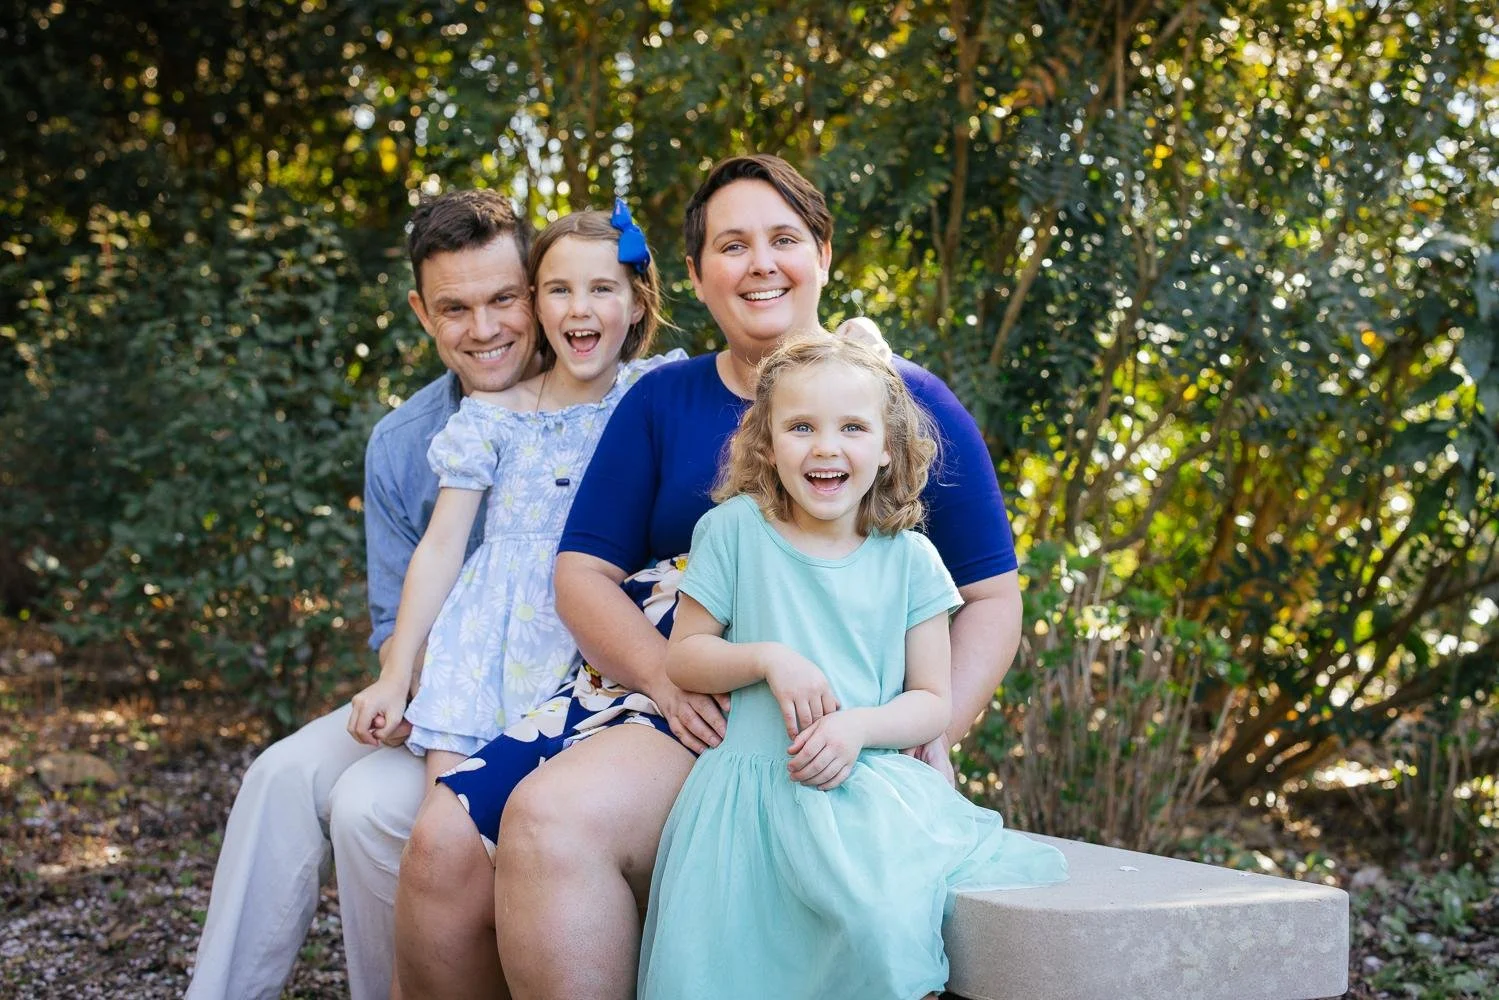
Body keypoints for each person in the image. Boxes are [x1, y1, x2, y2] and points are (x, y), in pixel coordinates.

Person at [396, 153, 1030, 1000]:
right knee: (442, 841)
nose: (760, 262)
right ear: (694, 276)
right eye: (731, 245)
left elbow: (989, 596)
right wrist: (662, 676)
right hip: (669, 684)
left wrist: (928, 731)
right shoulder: (662, 401)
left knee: (551, 824)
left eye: (784, 239)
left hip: (816, 708)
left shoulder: (903, 404)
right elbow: (582, 571)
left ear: (824, 256)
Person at [185, 189, 539, 1000]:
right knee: (278, 776)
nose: (482, 330)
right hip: (434, 691)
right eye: (455, 308)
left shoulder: (589, 409)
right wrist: (401, 684)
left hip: (532, 699)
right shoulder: (403, 442)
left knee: (363, 807)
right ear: (422, 313)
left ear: (534, 290)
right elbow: (392, 622)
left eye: (502, 300)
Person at [637, 334, 1066, 999]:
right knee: (721, 970)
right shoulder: (733, 532)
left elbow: (930, 700)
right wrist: (766, 658)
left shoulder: (910, 560)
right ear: (766, 444)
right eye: (800, 426)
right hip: (745, 805)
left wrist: (856, 729)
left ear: (887, 448)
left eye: (852, 428)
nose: (825, 447)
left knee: (879, 935)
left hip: (865, 797)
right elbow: (686, 657)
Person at [344, 202, 679, 821]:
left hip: (590, 650)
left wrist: (849, 346)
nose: (578, 307)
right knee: (447, 832)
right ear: (537, 301)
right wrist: (394, 678)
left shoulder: (651, 394)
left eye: (601, 289)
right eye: (559, 290)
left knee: (553, 830)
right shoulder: (491, 416)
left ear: (636, 303)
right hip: (482, 655)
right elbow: (441, 547)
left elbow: (760, 392)